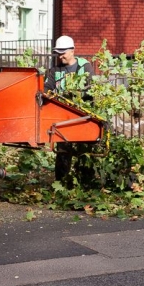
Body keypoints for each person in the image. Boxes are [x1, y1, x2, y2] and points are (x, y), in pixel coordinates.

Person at [44, 35, 95, 184]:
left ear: (72, 50)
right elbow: (48, 86)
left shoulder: (85, 67)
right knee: (63, 150)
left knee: (84, 151)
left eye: (63, 52)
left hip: (83, 115)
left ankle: (85, 182)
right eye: (58, 53)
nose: (60, 56)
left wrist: (74, 95)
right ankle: (61, 182)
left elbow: (90, 89)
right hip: (63, 116)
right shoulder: (55, 70)